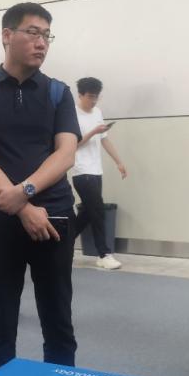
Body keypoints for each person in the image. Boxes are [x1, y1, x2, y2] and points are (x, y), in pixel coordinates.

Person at [0, 2, 81, 372]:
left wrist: (24, 192)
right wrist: (23, 207)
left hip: (53, 217)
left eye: (47, 35)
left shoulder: (59, 93)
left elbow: (66, 154)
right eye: (33, 32)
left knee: (58, 322)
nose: (41, 42)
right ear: (7, 35)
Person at [71, 77, 127, 270]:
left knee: (88, 212)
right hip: (81, 171)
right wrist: (93, 132)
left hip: (96, 170)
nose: (93, 101)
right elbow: (73, 144)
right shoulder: (71, 114)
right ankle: (104, 254)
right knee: (97, 212)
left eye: (96, 97)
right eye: (90, 97)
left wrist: (119, 162)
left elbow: (105, 140)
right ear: (80, 95)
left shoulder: (97, 112)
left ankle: (63, 241)